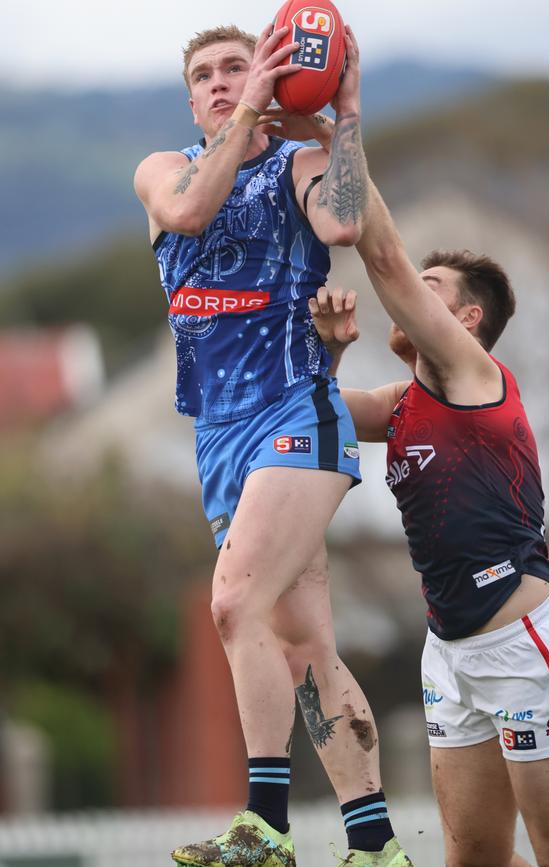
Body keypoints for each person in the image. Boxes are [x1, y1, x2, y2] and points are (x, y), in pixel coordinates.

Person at [134, 19, 411, 867]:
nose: (222, 81)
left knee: (231, 603)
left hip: (297, 408)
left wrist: (344, 113)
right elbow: (187, 210)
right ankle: (377, 846)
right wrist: (251, 104)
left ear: (269, 74)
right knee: (301, 644)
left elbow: (339, 228)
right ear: (190, 96)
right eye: (206, 73)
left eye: (237, 66)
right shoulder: (163, 170)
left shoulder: (297, 164)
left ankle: (265, 825)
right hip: (219, 436)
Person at [308, 187, 549, 866]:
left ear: (466, 318)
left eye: (429, 285)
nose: (408, 290)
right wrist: (327, 351)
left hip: (524, 645)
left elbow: (384, 258)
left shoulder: (474, 375)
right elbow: (311, 415)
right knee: (471, 854)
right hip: (449, 654)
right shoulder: (400, 404)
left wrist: (342, 141)